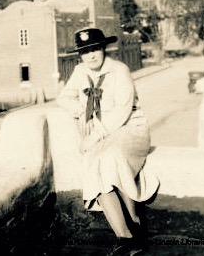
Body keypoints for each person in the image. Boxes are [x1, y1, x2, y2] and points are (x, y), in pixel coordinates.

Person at [57, 27, 159, 256]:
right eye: (85, 51)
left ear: (104, 49)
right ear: (80, 55)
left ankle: (135, 223)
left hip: (131, 129)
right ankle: (125, 236)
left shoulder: (119, 70)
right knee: (93, 163)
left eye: (95, 49)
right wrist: (83, 109)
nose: (91, 55)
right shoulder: (80, 71)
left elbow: (122, 113)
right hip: (105, 134)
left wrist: (92, 135)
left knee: (111, 157)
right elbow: (63, 98)